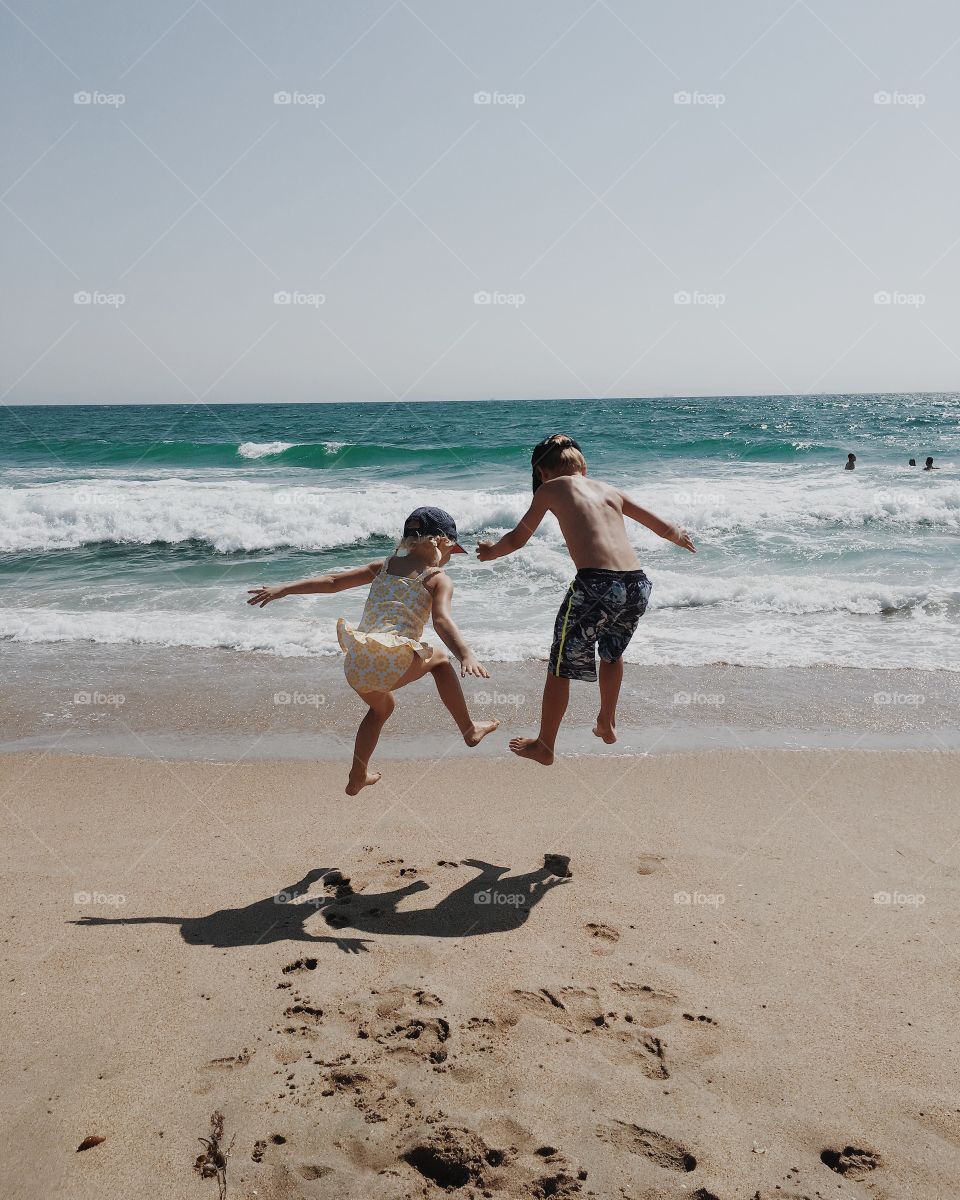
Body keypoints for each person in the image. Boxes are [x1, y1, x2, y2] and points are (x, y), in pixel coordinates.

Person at [476, 434, 694, 764]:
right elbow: (661, 525)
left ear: (542, 473)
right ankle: (606, 720)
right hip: (636, 585)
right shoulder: (610, 490)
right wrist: (680, 537)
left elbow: (519, 537)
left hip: (596, 585)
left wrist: (492, 552)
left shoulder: (550, 488)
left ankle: (545, 745)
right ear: (584, 467)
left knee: (560, 663)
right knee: (611, 653)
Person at [248, 507, 498, 794]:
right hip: (391, 662)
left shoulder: (385, 566)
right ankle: (469, 729)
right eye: (453, 548)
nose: (453, 555)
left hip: (356, 664)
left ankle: (358, 774)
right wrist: (466, 654)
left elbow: (333, 582)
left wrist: (285, 588)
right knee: (440, 661)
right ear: (439, 541)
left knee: (382, 708)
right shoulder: (438, 578)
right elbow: (441, 621)